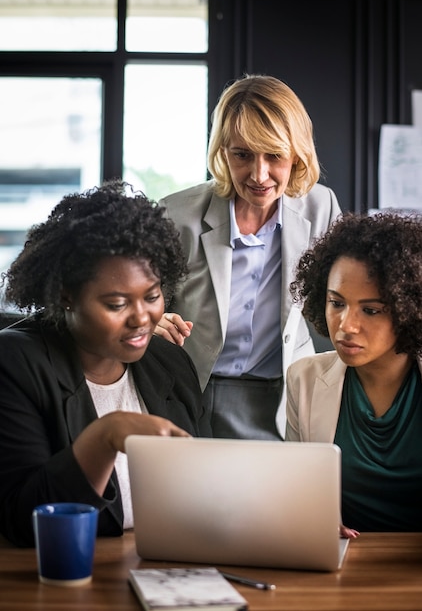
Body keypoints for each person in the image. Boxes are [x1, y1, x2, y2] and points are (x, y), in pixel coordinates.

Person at [0, 179, 211, 547]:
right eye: (117, 304)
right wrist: (106, 435)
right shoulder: (17, 364)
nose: (142, 318)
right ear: (66, 297)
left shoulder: (171, 363)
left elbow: (207, 490)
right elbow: (23, 522)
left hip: (167, 570)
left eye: (153, 296)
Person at [155, 74, 341, 440]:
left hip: (283, 391)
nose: (259, 175)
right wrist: (153, 321)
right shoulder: (176, 215)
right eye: (242, 154)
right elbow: (143, 307)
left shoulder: (321, 207)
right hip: (191, 389)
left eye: (274, 156)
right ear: (222, 151)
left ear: (297, 155)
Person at [286, 211, 422, 537]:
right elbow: (297, 496)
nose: (346, 325)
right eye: (337, 303)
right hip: (339, 564)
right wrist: (310, 519)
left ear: (409, 310)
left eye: (371, 310)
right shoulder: (303, 379)